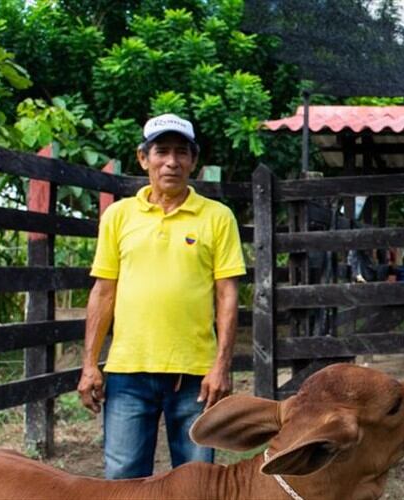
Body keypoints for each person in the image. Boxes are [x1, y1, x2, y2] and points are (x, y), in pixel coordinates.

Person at [77, 113, 246, 479]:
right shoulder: (119, 216)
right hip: (127, 371)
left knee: (197, 479)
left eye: (182, 153)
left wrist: (221, 365)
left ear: (193, 161)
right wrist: (90, 363)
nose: (172, 162)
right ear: (144, 158)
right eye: (162, 152)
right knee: (123, 479)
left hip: (195, 374)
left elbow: (227, 295)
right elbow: (104, 291)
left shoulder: (217, 217)